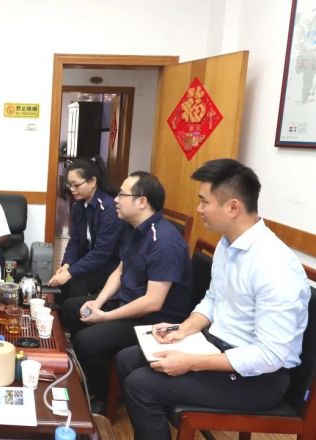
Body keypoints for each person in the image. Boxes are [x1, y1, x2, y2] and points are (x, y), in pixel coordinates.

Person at [116, 159, 310, 440]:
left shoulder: (275, 266)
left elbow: (271, 355)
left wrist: (192, 362)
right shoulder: (227, 244)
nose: (198, 209)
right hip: (216, 346)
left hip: (258, 379)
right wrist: (183, 329)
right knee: (127, 359)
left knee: (141, 385)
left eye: (204, 201)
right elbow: (213, 298)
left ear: (232, 207)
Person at [60, 171, 192, 413]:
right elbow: (120, 270)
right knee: (71, 308)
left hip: (155, 320)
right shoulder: (134, 228)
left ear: (142, 201)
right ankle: (100, 372)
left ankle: (106, 396)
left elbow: (153, 302)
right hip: (128, 302)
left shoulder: (165, 242)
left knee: (86, 341)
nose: (116, 200)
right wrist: (98, 303)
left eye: (122, 194)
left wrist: (105, 317)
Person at [47, 157, 123, 304]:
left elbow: (101, 253)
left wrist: (71, 273)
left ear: (92, 182)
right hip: (91, 259)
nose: (72, 189)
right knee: (62, 280)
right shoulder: (79, 206)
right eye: (70, 185)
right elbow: (75, 241)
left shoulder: (108, 208)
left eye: (76, 185)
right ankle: (59, 316)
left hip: (109, 264)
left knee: (75, 283)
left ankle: (75, 316)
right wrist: (67, 264)